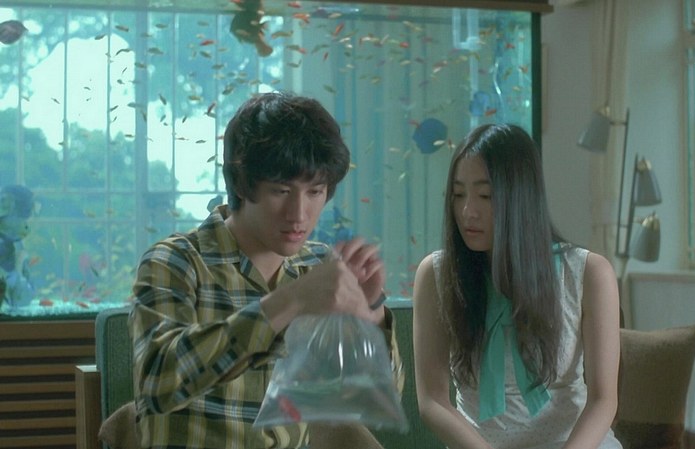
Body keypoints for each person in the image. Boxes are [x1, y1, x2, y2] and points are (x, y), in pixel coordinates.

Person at [129, 91, 401, 449]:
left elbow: (376, 396)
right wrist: (290, 301)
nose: (298, 214)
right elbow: (157, 382)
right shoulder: (176, 261)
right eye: (281, 191)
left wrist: (371, 314)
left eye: (315, 192)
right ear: (242, 184)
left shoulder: (319, 266)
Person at [412, 124, 622, 449]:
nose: (467, 211)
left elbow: (603, 400)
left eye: (485, 196)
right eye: (458, 194)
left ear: (520, 197)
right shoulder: (437, 275)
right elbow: (433, 401)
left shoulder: (588, 274)